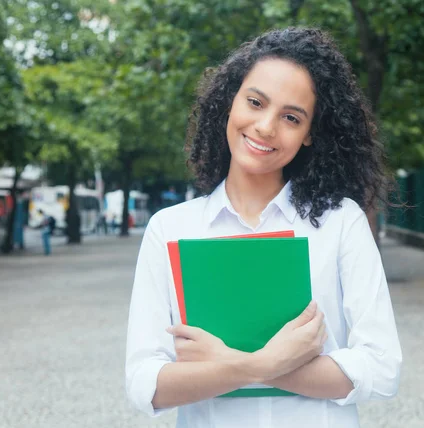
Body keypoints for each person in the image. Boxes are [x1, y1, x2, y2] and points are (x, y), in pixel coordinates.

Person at [125, 27, 402, 428]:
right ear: (230, 103)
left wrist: (226, 364)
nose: (266, 126)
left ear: (309, 135)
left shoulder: (340, 223)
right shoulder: (169, 228)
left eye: (292, 117)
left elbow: (382, 369)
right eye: (255, 102)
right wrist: (270, 361)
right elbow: (144, 383)